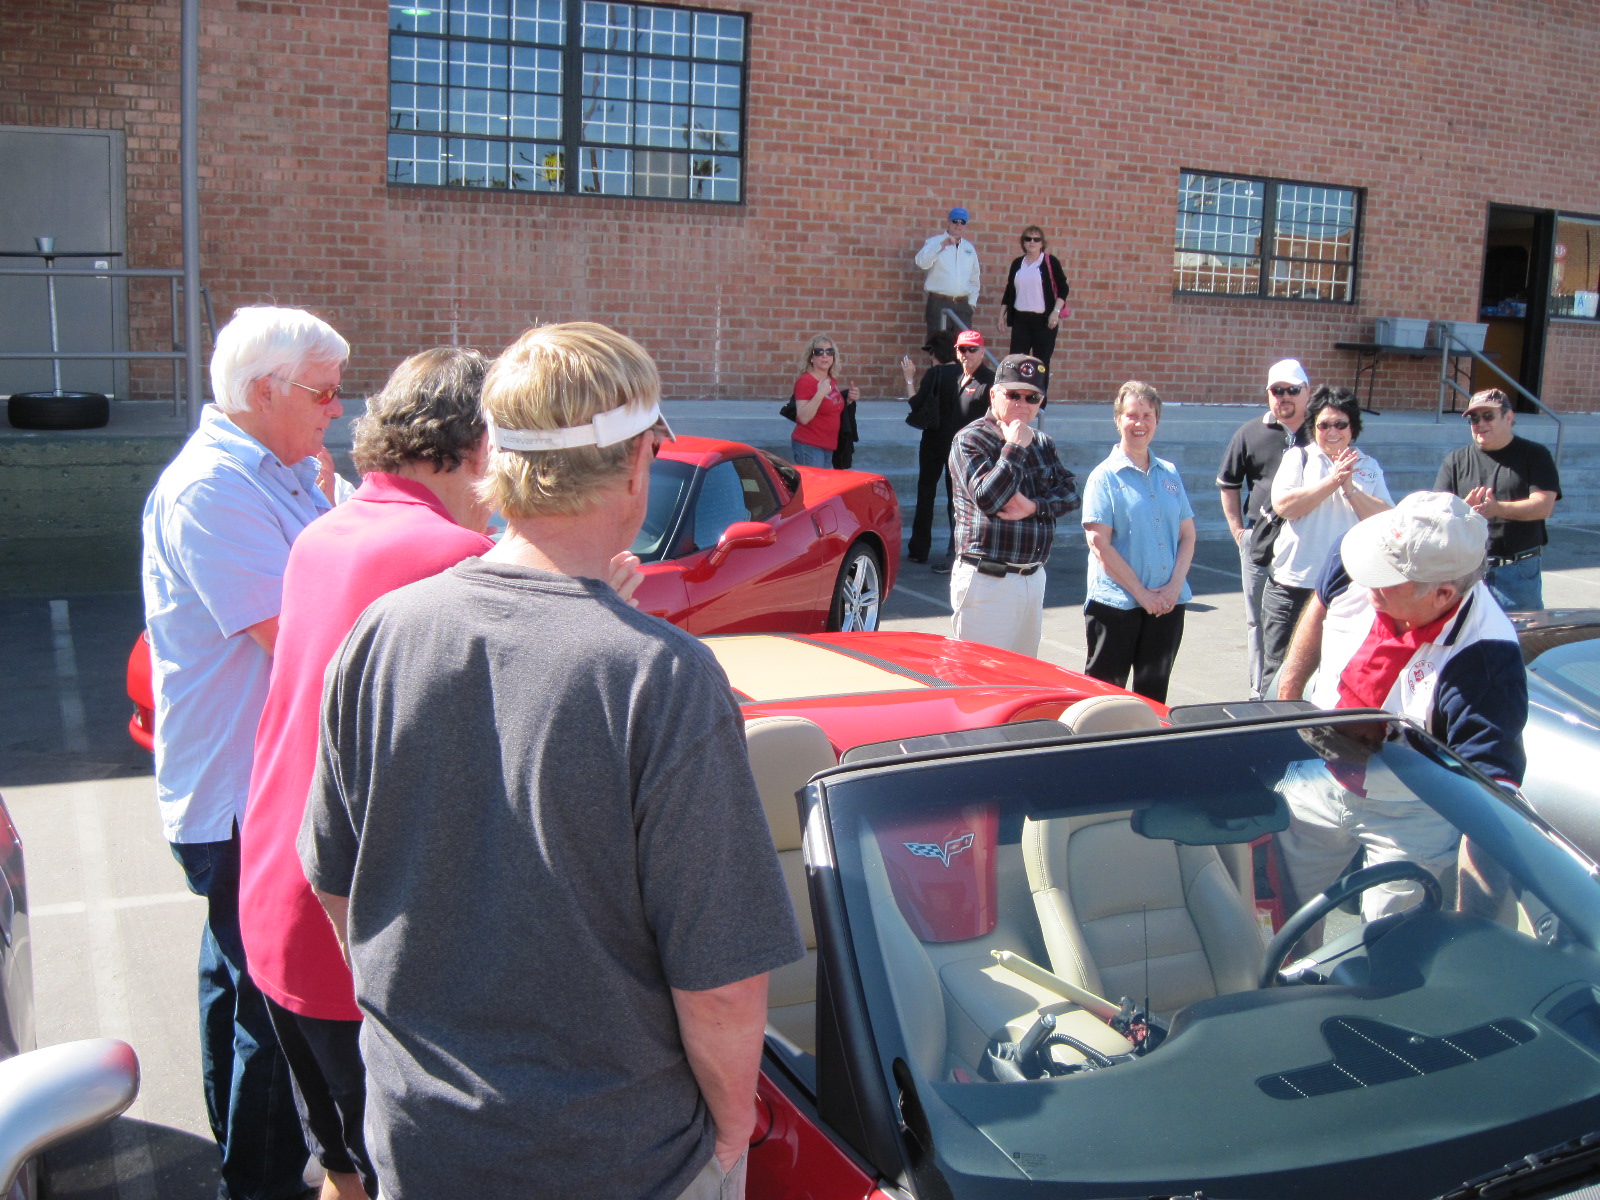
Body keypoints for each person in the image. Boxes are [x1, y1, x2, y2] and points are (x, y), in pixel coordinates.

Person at [299, 322, 805, 1200]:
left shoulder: (381, 635)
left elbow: (338, 890)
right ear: (637, 467)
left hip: (423, 1148)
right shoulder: (663, 678)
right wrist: (729, 1132)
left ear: (498, 457)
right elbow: (721, 986)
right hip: (616, 1166)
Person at [238, 348, 500, 1200]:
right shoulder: (459, 560)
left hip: (276, 902)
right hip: (353, 939)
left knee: (341, 1170)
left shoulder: (323, 533)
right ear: (476, 445)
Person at [142, 304, 350, 1200]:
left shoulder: (283, 470)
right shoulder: (216, 491)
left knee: (237, 986)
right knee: (274, 1008)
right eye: (323, 393)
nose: (335, 411)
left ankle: (242, 1163)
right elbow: (299, 631)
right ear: (263, 392)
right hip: (240, 795)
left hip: (250, 789)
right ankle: (260, 1181)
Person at [1273, 491, 1527, 920]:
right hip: (1316, 773)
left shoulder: (1486, 665)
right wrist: (1287, 704)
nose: (1365, 578)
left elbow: (1488, 811)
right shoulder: (1364, 553)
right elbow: (1321, 605)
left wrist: (1473, 932)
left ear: (1442, 593)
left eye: (1385, 577)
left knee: (1391, 944)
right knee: (1282, 914)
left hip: (1410, 813)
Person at [1258, 385, 1391, 693]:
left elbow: (1385, 518)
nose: (1332, 431)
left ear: (1353, 428)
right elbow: (1285, 506)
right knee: (1280, 673)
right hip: (1293, 586)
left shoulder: (1368, 467)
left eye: (1340, 424)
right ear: (1313, 427)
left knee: (1331, 672)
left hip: (1344, 590)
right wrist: (1332, 481)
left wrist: (1350, 488)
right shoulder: (1299, 458)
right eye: (1324, 425)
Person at [946, 353, 1079, 656]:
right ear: (993, 395)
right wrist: (1014, 448)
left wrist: (1033, 506)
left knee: (1022, 682)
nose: (1022, 403)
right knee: (979, 683)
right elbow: (989, 498)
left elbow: (1071, 493)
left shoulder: (1043, 442)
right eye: (1013, 394)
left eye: (1032, 396)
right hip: (987, 581)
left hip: (1032, 578)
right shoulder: (970, 439)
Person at [1081, 381, 1196, 703]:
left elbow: (1188, 535)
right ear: (1118, 420)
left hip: (1166, 606)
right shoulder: (1103, 477)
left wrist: (1173, 587)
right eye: (1131, 415)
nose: (1139, 423)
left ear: (1157, 420)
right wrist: (1142, 594)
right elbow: (1099, 544)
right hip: (1116, 607)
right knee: (1104, 697)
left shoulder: (1170, 473)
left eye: (1147, 415)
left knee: (1153, 697)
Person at [1217, 357, 1310, 699]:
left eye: (1292, 390)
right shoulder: (1250, 433)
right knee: (1257, 619)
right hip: (1259, 542)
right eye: (1277, 391)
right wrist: (1238, 531)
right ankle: (1260, 691)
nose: (1284, 397)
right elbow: (1228, 483)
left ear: (1307, 392)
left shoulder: (1321, 432)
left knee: (1302, 618)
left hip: (1305, 542)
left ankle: (1300, 689)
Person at [1434, 387, 1562, 612]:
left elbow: (1543, 506)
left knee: (1522, 641)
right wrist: (1464, 511)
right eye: (1473, 418)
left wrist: (1496, 508)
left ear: (1508, 417)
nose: (1480, 423)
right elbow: (1436, 512)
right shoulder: (1455, 461)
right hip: (1467, 573)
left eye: (1488, 416)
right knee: (1466, 643)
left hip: (1518, 571)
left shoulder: (1535, 455)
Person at [930, 329, 997, 573]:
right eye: (961, 349)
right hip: (955, 456)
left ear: (982, 351)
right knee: (955, 505)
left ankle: (970, 555)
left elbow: (997, 420)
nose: (966, 354)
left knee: (975, 507)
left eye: (972, 349)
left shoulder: (990, 381)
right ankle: (956, 554)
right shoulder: (957, 378)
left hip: (980, 458)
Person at [901, 329, 961, 564]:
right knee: (956, 498)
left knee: (926, 492)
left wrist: (909, 378)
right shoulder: (963, 375)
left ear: (935, 353)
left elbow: (916, 404)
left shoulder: (934, 374)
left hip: (933, 441)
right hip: (956, 440)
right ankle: (956, 549)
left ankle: (919, 549)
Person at [999, 225, 1069, 375]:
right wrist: (1001, 315)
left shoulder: (1050, 262)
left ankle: (1039, 398)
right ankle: (1016, 397)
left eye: (1036, 239)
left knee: (1041, 364)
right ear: (1023, 242)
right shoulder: (1017, 263)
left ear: (1042, 243)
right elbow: (1009, 290)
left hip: (1044, 321)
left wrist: (1055, 312)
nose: (1032, 242)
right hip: (1021, 320)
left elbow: (1063, 288)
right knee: (1016, 363)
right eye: (1028, 239)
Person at [790, 333, 857, 469]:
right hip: (809, 445)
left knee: (823, 488)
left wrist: (849, 400)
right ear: (811, 358)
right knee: (815, 489)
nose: (824, 355)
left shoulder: (831, 380)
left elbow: (831, 408)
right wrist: (820, 393)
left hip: (828, 446)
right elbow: (803, 417)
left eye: (829, 351)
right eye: (819, 352)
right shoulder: (805, 382)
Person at [914, 206, 980, 339]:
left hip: (962, 305)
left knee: (963, 350)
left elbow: (975, 278)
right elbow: (921, 262)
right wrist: (941, 246)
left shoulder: (969, 248)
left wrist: (971, 303)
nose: (958, 225)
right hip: (939, 303)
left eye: (962, 222)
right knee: (938, 348)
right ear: (949, 221)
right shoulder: (934, 242)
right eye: (955, 221)